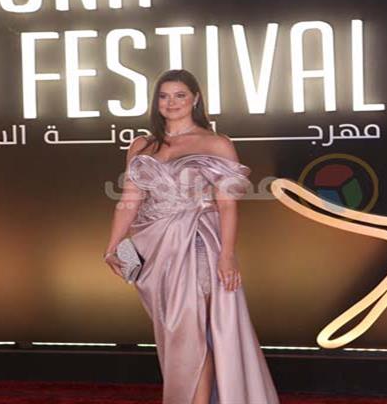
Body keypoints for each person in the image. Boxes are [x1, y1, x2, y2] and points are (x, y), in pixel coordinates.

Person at [103, 69, 279, 404]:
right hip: (152, 249)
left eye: (180, 95)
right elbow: (129, 201)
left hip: (197, 243)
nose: (171, 103)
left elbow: (227, 205)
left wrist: (227, 255)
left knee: (191, 335)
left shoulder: (216, 143)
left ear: (195, 99)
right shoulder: (142, 145)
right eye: (164, 96)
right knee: (175, 335)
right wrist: (112, 246)